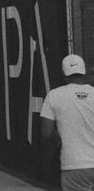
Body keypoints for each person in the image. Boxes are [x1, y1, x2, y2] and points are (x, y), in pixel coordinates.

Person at [41, 54, 94, 190]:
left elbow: (46, 133)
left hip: (73, 165)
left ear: (64, 74)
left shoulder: (54, 96)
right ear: (85, 71)